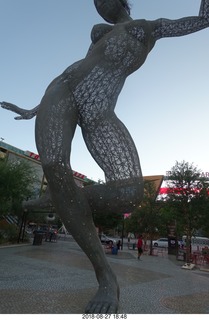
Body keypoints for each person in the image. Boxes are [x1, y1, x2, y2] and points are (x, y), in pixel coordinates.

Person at [1, 0, 209, 314]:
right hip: (61, 92)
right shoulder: (99, 32)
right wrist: (36, 106)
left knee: (130, 194)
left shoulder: (149, 27)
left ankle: (62, 197)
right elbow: (78, 68)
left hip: (99, 110)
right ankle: (106, 277)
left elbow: (199, 21)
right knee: (54, 165)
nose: (100, 4)